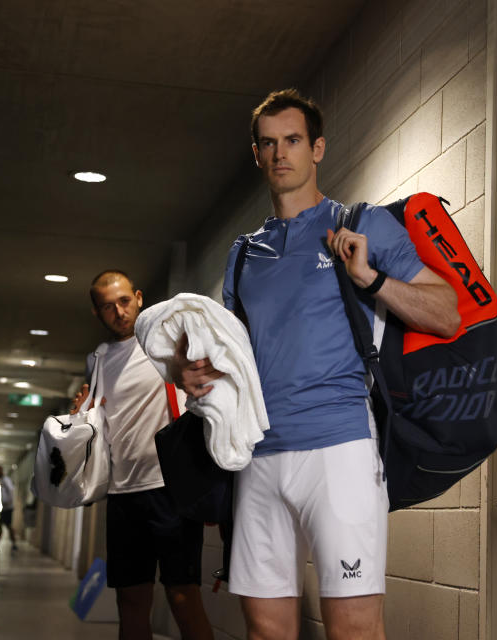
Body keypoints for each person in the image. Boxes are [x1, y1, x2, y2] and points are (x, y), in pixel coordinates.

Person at [176, 89, 461, 640]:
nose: (280, 153)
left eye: (293, 140)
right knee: (265, 630)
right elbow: (232, 357)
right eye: (268, 143)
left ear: (318, 148)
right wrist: (191, 375)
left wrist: (371, 279)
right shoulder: (243, 253)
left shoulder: (363, 224)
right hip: (259, 457)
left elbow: (447, 313)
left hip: (340, 450)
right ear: (256, 155)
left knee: (353, 629)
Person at [71, 270, 213, 640]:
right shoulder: (99, 360)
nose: (118, 312)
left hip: (170, 490)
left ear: (137, 298)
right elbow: (100, 421)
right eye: (107, 307)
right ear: (97, 314)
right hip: (122, 494)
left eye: (123, 301)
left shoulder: (167, 341)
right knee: (131, 602)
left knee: (183, 597)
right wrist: (80, 417)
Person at [0, 465, 17, 557]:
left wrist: (9, 502)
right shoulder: (3, 480)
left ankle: (10, 544)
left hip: (7, 508)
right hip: (6, 507)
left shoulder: (6, 480)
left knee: (6, 526)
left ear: (0, 471)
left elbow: (11, 490)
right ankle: (13, 544)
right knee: (7, 526)